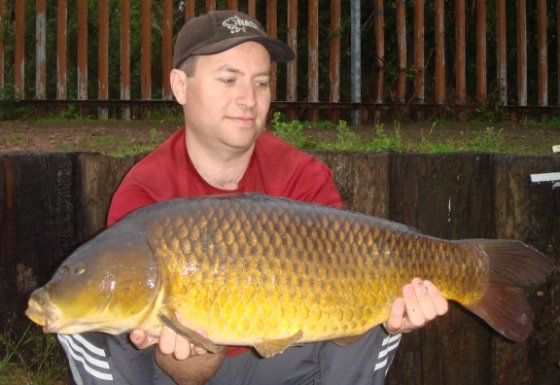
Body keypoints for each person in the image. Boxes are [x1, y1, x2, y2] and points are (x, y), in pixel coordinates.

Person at [59, 10, 448, 385]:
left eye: (260, 83)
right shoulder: (145, 193)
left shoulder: (301, 177)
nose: (249, 98)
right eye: (228, 80)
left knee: (372, 321)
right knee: (85, 325)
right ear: (180, 86)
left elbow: (356, 294)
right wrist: (198, 349)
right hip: (175, 372)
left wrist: (393, 310)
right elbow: (187, 373)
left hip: (282, 365)